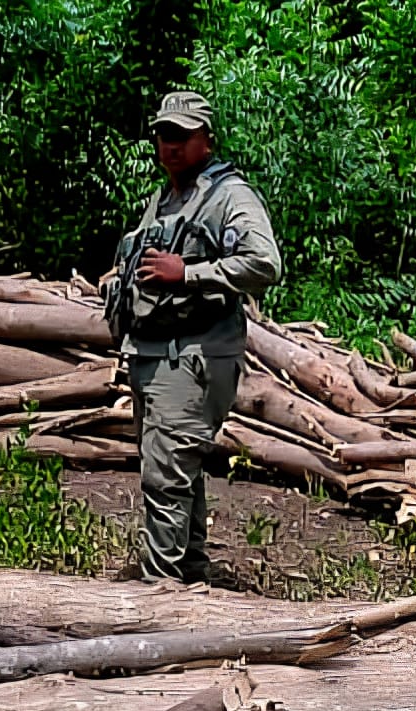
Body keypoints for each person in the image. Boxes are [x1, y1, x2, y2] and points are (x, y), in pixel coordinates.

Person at [104, 90, 281, 584]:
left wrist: (188, 273)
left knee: (165, 478)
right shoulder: (166, 199)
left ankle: (159, 596)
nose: (171, 145)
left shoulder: (230, 196)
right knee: (176, 474)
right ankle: (191, 580)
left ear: (206, 139)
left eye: (182, 135)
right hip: (155, 355)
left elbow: (265, 264)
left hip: (195, 357)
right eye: (164, 134)